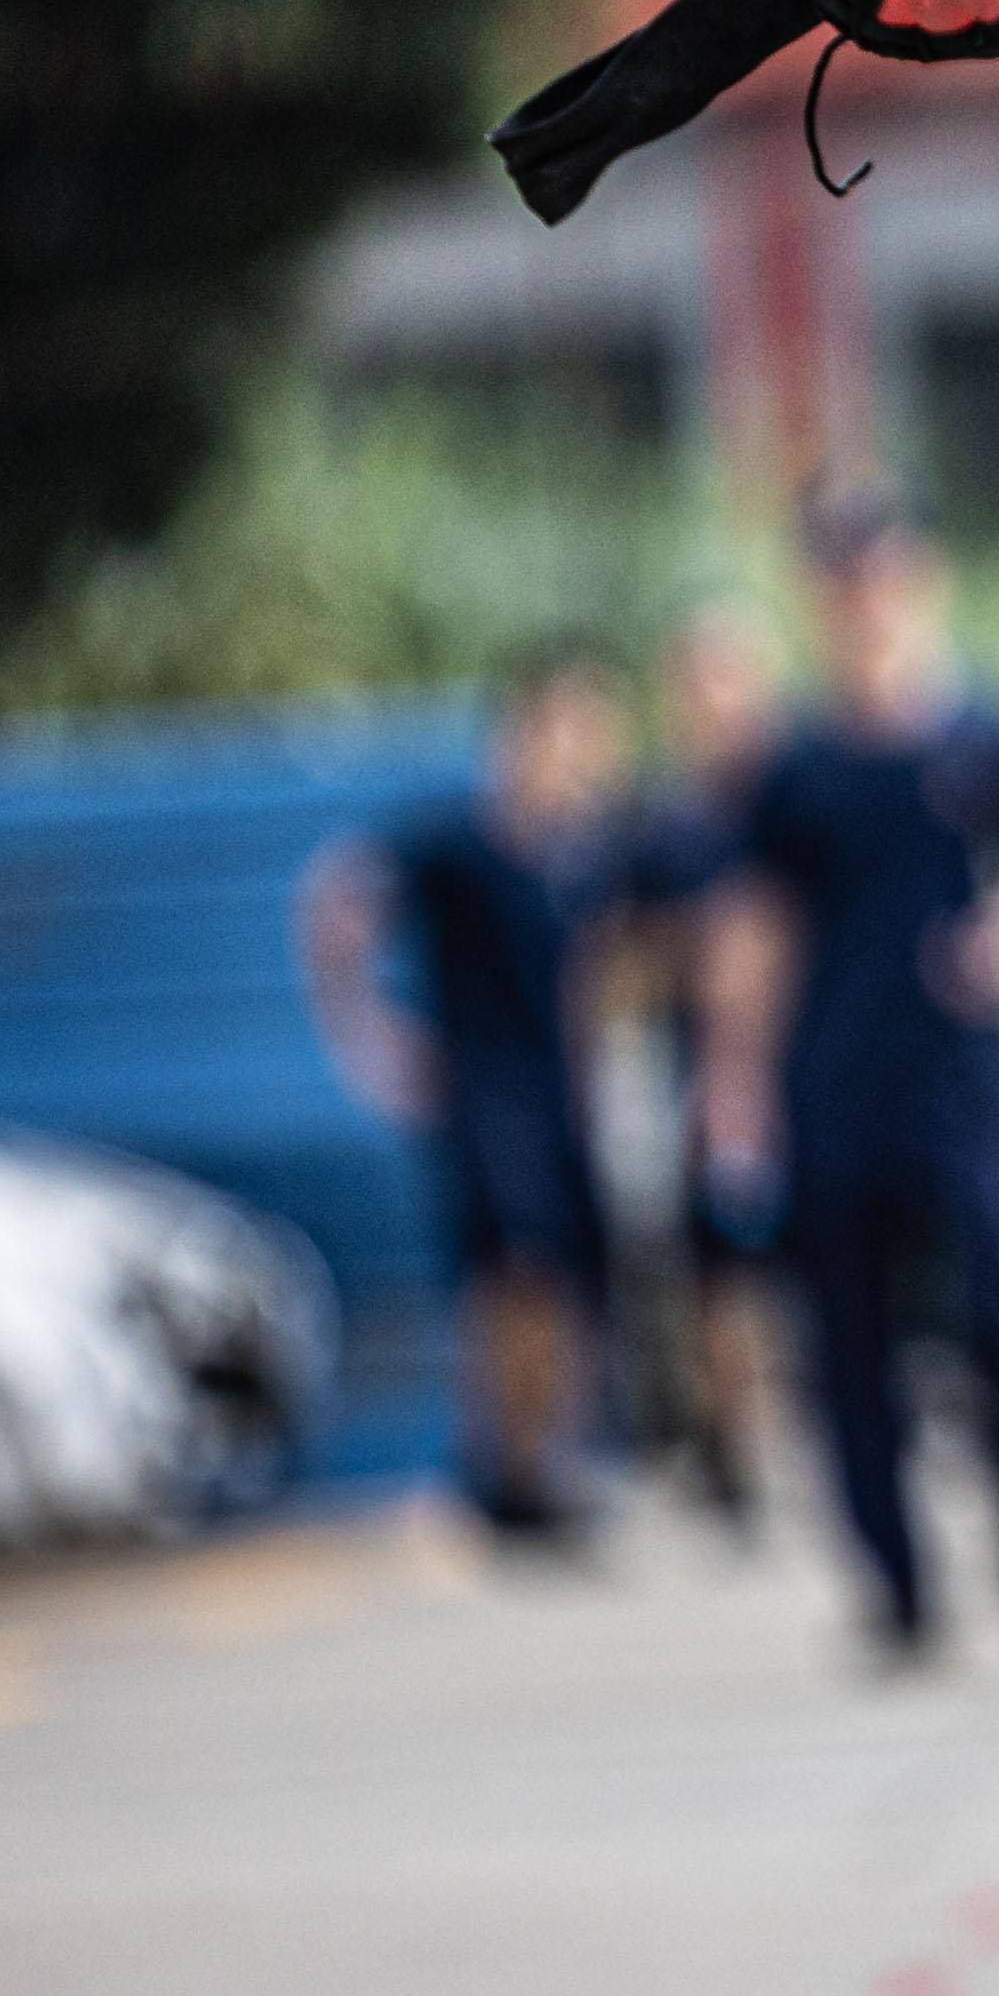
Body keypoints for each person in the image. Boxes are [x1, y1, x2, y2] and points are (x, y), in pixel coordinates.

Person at [703, 500, 999, 1665]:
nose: (868, 605)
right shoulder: (797, 769)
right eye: (844, 586)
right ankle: (899, 1588)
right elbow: (755, 931)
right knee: (848, 1340)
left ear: (925, 583)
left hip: (961, 1079)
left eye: (886, 579)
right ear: (820, 604)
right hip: (836, 1083)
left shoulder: (985, 734)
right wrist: (734, 1083)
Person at [299, 648, 634, 1541]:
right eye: (571, 726)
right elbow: (336, 907)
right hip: (482, 1092)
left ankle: (545, 1460)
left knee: (562, 1274)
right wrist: (368, 1041)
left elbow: (611, 971)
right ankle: (507, 1464)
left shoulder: (584, 855)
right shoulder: (453, 838)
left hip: (563, 1094)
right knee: (510, 1271)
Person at [607, 601, 788, 1533]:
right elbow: (617, 960)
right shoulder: (661, 830)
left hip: (810, 1065)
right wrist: (692, 954)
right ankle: (735, 1440)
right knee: (722, 1266)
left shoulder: (800, 798)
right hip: (710, 1079)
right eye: (696, 682)